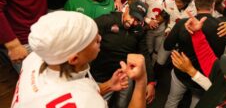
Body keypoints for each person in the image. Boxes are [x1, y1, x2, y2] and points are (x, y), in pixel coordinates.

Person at [11, 11, 147, 108]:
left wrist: (109, 85)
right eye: (94, 41)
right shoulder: (87, 102)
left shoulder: (35, 57)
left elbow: (74, 91)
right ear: (74, 58)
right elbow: (80, 96)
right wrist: (141, 81)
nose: (101, 39)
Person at [163, 0, 226, 108]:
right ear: (213, 5)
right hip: (205, 77)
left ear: (195, 4)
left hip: (181, 72)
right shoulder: (223, 27)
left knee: (172, 101)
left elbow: (167, 45)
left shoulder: (184, 23)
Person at [91, 1, 155, 107]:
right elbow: (86, 35)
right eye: (132, 16)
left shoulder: (139, 31)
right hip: (102, 74)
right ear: (127, 9)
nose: (132, 21)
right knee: (99, 103)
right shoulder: (107, 20)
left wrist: (151, 82)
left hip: (125, 74)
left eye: (137, 20)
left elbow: (144, 55)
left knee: (122, 104)